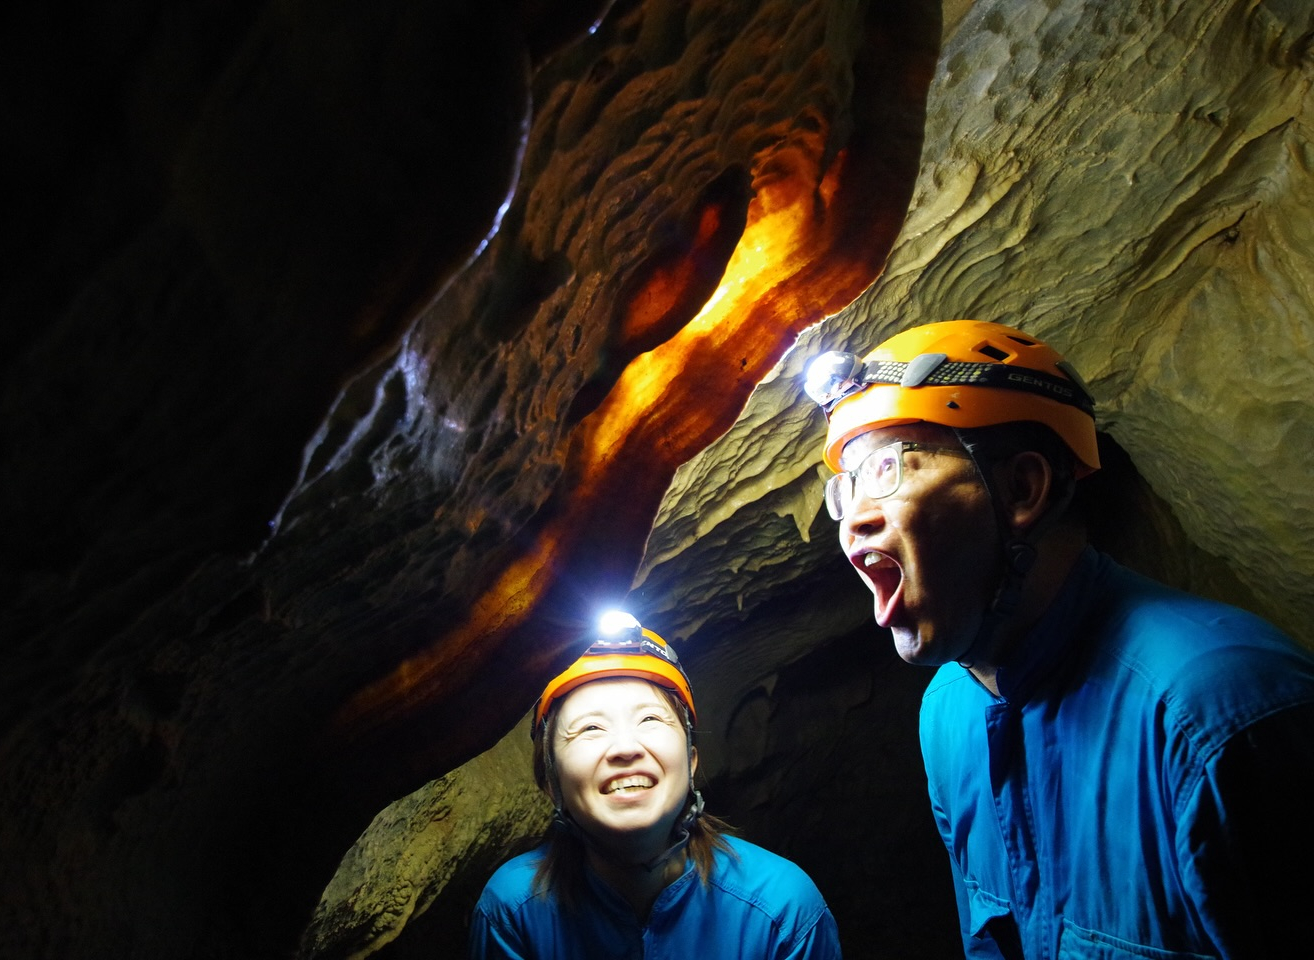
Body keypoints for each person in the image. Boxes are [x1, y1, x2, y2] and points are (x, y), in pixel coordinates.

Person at [802, 318, 1314, 959]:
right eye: (844, 490)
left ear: (1022, 488)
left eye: (885, 469)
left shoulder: (1222, 716)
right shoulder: (948, 711)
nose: (853, 523)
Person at [469, 610, 843, 959]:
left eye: (649, 719)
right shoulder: (512, 912)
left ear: (692, 761)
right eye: (590, 728)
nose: (626, 747)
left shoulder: (782, 911)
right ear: (552, 783)